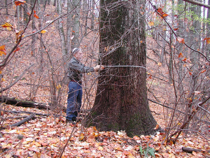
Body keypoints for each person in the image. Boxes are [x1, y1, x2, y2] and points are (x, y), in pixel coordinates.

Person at [66, 48, 104, 124]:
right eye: (80, 53)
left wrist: (96, 68)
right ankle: (69, 119)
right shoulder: (73, 63)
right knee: (72, 101)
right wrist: (94, 68)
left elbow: (85, 67)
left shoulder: (78, 62)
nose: (81, 55)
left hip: (79, 84)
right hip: (73, 83)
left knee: (78, 102)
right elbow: (82, 69)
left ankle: (74, 118)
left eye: (81, 53)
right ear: (75, 54)